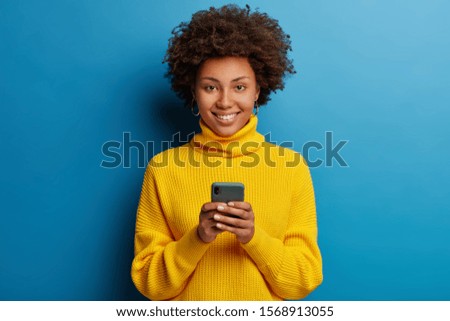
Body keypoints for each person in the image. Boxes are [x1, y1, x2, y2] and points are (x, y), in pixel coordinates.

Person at [131, 4, 323, 301]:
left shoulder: (291, 168)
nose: (224, 101)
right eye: (210, 87)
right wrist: (198, 238)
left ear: (257, 90)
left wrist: (252, 237)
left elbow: (302, 281)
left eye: (239, 87)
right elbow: (150, 284)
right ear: (193, 91)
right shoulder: (163, 169)